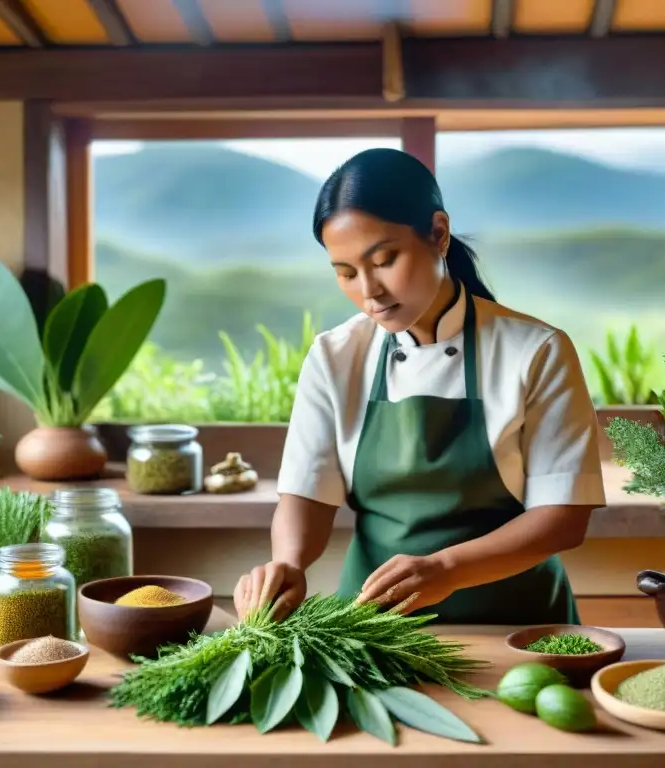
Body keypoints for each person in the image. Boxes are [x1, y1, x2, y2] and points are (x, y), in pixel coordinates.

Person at [233, 147, 606, 625]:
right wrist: (287, 563)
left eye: (384, 260)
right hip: (376, 627)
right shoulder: (334, 356)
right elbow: (305, 492)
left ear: (438, 234)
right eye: (345, 273)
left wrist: (445, 569)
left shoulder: (536, 350)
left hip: (519, 627)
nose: (369, 291)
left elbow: (563, 518)